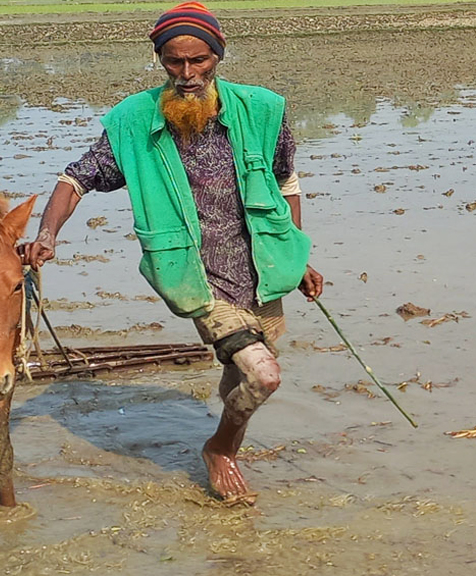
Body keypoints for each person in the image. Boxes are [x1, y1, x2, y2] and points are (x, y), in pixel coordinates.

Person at [18, 1, 324, 500]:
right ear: (160, 59)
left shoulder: (263, 110)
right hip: (195, 274)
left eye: (198, 61)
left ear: (218, 56)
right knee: (264, 376)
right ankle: (220, 450)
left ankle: (228, 453)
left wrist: (296, 255)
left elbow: (285, 182)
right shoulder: (134, 122)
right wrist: (47, 234)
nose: (187, 74)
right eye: (174, 62)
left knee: (239, 375)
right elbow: (75, 179)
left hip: (262, 270)